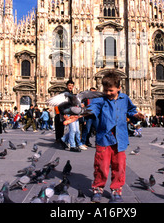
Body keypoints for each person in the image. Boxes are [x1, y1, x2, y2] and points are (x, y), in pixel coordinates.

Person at [87, 71, 144, 203]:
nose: (108, 93)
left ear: (119, 88)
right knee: (101, 165)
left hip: (120, 139)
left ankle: (116, 189)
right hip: (104, 138)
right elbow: (93, 109)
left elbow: (131, 111)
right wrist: (84, 113)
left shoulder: (124, 98)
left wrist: (136, 115)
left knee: (119, 166)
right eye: (105, 90)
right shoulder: (100, 98)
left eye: (110, 90)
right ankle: (98, 188)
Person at [55, 80, 74, 145]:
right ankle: (59, 140)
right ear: (66, 86)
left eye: (72, 86)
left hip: (69, 112)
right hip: (63, 112)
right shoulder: (64, 93)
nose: (70, 87)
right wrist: (63, 113)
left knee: (68, 127)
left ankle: (62, 140)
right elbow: (60, 104)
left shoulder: (71, 93)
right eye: (69, 85)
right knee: (61, 127)